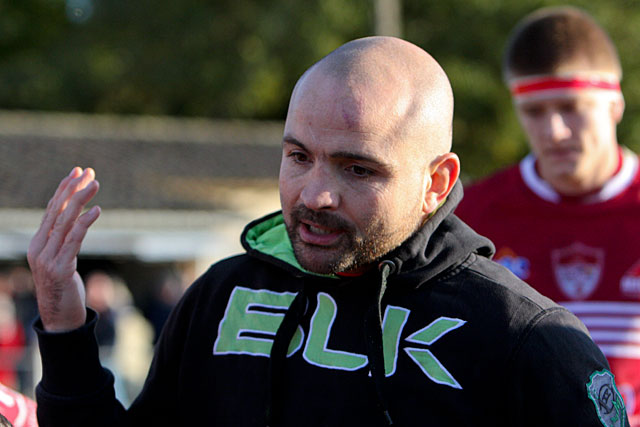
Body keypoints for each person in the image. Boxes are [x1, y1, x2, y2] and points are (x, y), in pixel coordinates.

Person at [28, 36, 628, 426]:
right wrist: (63, 327)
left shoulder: (525, 339)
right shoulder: (223, 296)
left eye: (357, 168)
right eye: (297, 156)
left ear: (437, 183)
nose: (314, 194)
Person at [455, 6, 640, 426]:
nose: (554, 130)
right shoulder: (473, 215)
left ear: (615, 104)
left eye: (571, 107)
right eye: (535, 112)